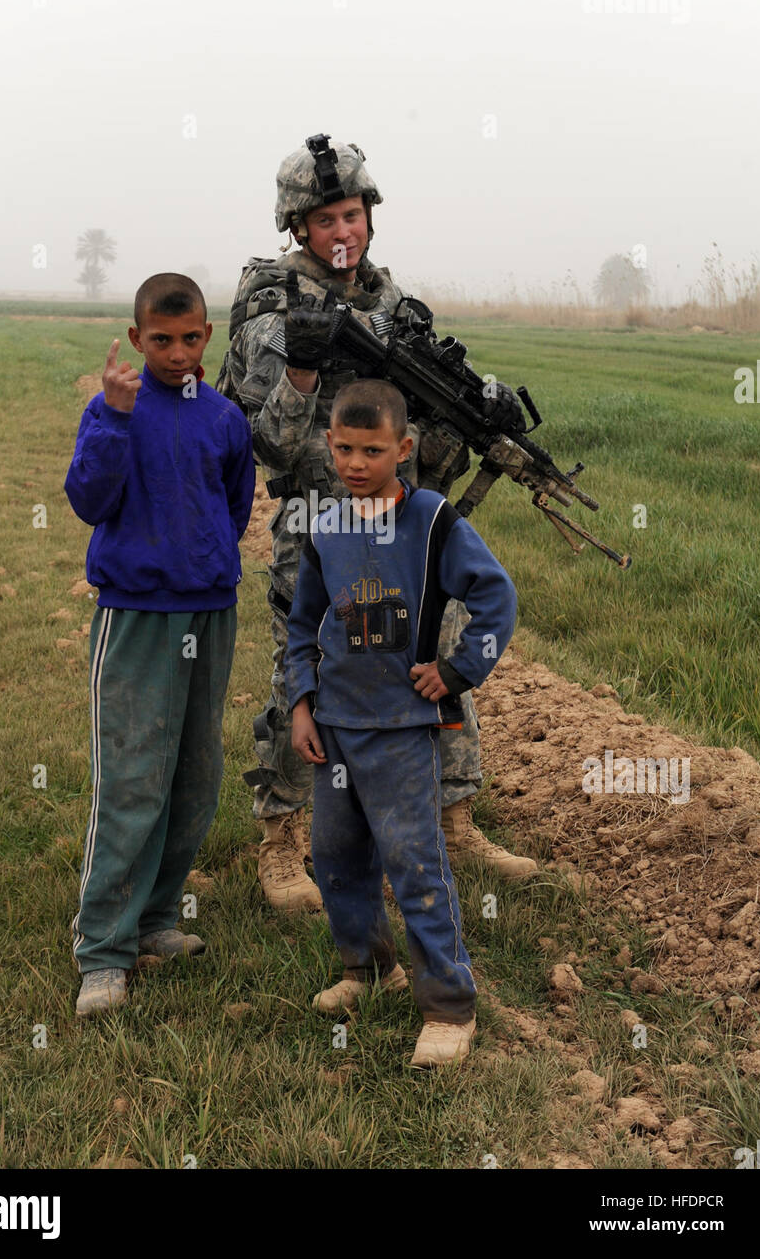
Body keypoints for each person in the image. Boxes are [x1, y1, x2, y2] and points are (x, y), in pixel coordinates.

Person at [217, 133, 536, 910]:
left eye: (352, 215)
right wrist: (298, 367)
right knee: (310, 671)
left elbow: (423, 452)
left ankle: (454, 820)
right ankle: (282, 839)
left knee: (445, 652)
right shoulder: (270, 304)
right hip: (319, 526)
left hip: (402, 529)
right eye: (325, 219)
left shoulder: (395, 310)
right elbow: (267, 443)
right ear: (298, 226)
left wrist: (467, 419)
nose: (342, 233)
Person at [285, 379, 517, 1066]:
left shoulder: (434, 522)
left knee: (413, 863)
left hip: (402, 730)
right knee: (334, 858)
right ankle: (365, 968)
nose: (356, 463)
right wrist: (301, 702)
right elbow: (302, 625)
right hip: (333, 728)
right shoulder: (325, 526)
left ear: (403, 448)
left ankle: (448, 1006)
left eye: (373, 450)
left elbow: (495, 597)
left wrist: (454, 672)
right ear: (329, 445)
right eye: (345, 449)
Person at [64, 273, 254, 1018]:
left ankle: (154, 920)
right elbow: (88, 500)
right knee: (134, 776)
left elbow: (233, 506)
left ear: (207, 336)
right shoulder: (112, 409)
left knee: (193, 774)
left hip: (208, 609)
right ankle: (102, 952)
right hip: (137, 614)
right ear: (138, 339)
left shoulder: (223, 418)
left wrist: (201, 559)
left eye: (191, 338)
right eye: (161, 340)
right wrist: (112, 420)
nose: (177, 352)